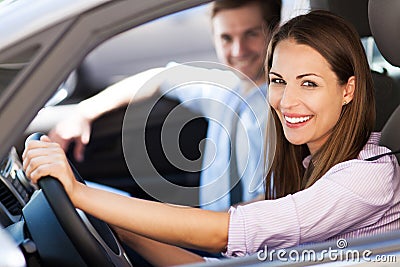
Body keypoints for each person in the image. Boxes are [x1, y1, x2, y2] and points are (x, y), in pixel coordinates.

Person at [23, 10, 400, 267]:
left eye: (310, 84)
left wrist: (82, 194)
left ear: (348, 89)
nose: (287, 101)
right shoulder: (307, 168)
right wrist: (122, 228)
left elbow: (223, 234)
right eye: (279, 81)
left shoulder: (367, 177)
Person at [46, 0, 282, 210]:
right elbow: (158, 79)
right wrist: (84, 112)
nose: (238, 50)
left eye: (251, 34)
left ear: (276, 31)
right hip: (214, 237)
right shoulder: (222, 87)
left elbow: (271, 204)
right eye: (226, 38)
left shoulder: (283, 107)